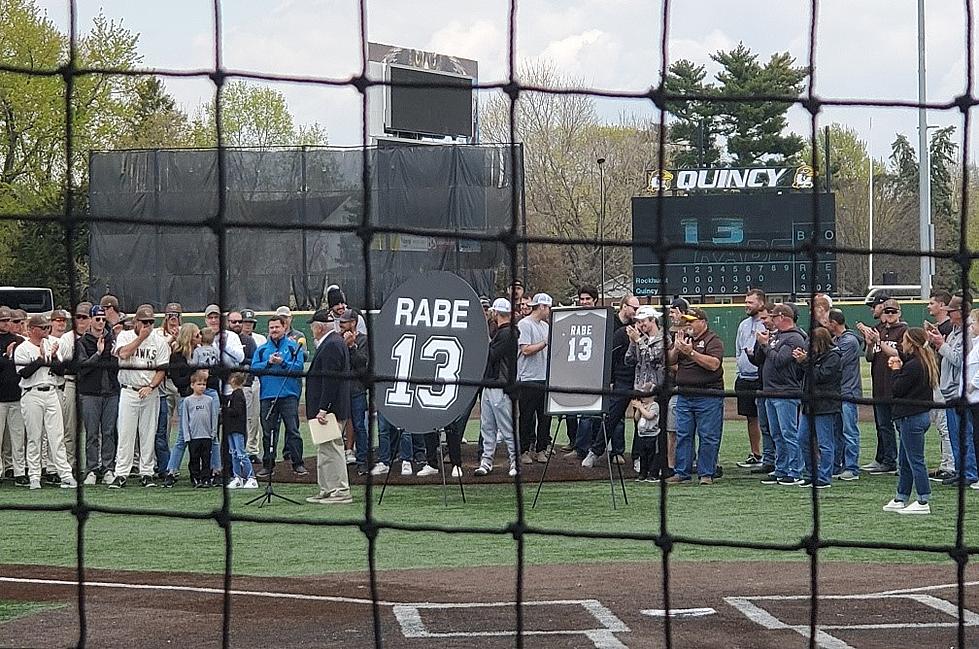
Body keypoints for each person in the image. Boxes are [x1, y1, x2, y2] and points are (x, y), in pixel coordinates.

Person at [110, 304, 171, 488]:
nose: (148, 325)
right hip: (128, 389)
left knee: (148, 433)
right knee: (126, 433)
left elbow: (162, 369)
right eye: (144, 321)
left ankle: (147, 473)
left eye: (151, 322)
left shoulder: (159, 341)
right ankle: (121, 473)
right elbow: (123, 353)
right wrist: (141, 338)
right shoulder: (125, 336)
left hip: (148, 391)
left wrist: (152, 386)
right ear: (136, 321)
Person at [15, 314, 76, 490]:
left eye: (48, 328)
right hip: (32, 392)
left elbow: (60, 371)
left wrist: (54, 357)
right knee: (34, 437)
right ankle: (34, 476)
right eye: (43, 328)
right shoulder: (23, 348)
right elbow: (24, 373)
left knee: (57, 436)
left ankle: (65, 474)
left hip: (51, 391)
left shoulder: (51, 344)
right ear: (32, 329)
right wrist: (42, 359)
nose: (46, 331)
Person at [882, 328, 938, 514]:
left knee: (916, 460)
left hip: (912, 418)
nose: (902, 344)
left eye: (905, 341)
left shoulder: (914, 365)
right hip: (917, 416)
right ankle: (901, 497)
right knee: (905, 461)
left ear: (912, 343)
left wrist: (896, 370)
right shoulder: (922, 361)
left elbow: (898, 389)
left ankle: (923, 500)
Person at [667, 306, 725, 486]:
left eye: (692, 321)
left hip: (708, 395)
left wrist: (690, 353)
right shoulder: (684, 337)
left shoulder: (713, 340)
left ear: (703, 322)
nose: (689, 324)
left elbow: (714, 364)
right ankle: (681, 472)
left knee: (708, 435)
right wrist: (677, 350)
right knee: (683, 434)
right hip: (684, 394)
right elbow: (669, 361)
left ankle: (706, 473)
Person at [582, 294, 640, 468]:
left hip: (642, 381)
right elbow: (611, 357)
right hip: (623, 380)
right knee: (612, 417)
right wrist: (611, 379)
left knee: (643, 420)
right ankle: (595, 451)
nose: (641, 321)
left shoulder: (652, 336)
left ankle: (638, 457)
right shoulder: (621, 332)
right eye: (635, 310)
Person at [926, 295, 977, 487]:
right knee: (955, 435)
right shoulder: (956, 331)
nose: (949, 314)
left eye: (951, 311)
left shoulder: (968, 334)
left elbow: (959, 360)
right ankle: (959, 470)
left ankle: (969, 472)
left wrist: (941, 344)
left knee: (964, 435)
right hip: (950, 390)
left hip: (960, 392)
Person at [304, 309, 353, 505]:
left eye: (313, 326)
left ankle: (340, 490)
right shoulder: (332, 342)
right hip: (328, 408)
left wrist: (324, 408)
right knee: (325, 450)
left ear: (319, 326)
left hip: (330, 410)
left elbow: (331, 380)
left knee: (332, 449)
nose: (311, 330)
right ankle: (327, 488)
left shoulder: (332, 344)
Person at [759, 303, 807, 486]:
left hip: (786, 391)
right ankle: (782, 469)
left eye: (773, 317)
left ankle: (795, 471)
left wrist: (765, 345)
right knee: (776, 433)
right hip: (771, 391)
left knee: (789, 433)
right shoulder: (777, 336)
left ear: (782, 317)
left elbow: (780, 360)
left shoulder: (795, 338)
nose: (770, 320)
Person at [857, 297, 906, 474]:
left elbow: (899, 354)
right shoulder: (878, 329)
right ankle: (888, 460)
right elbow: (870, 357)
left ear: (899, 313)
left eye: (893, 311)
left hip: (897, 385)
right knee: (883, 425)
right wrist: (870, 344)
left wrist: (879, 341)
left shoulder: (903, 331)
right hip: (879, 385)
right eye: (887, 311)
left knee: (901, 426)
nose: (890, 315)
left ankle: (903, 462)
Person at [253, 315, 306, 477]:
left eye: (277, 327)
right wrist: (268, 362)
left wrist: (283, 362)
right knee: (269, 432)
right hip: (267, 396)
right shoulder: (262, 349)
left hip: (288, 395)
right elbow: (254, 368)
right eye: (271, 328)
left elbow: (299, 368)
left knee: (293, 430)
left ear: (284, 328)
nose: (274, 330)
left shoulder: (293, 346)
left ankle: (298, 463)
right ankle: (268, 465)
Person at [475, 298, 519, 478]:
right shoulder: (502, 332)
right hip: (490, 384)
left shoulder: (507, 333)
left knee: (506, 428)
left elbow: (491, 355)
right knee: (487, 427)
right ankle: (486, 462)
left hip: (499, 386)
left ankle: (514, 461)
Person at [76, 304, 120, 486]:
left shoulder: (113, 340)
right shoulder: (82, 343)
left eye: (103, 319)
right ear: (91, 320)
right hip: (90, 393)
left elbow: (118, 365)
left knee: (109, 432)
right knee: (92, 434)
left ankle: (108, 468)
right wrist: (98, 353)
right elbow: (82, 368)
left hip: (110, 392)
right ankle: (92, 469)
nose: (101, 322)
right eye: (97, 319)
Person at [794, 327, 841, 489]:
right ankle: (811, 473)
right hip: (809, 403)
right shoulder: (813, 356)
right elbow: (802, 376)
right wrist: (800, 363)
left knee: (825, 443)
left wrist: (805, 362)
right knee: (802, 438)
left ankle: (825, 476)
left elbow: (821, 376)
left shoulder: (833, 357)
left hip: (825, 404)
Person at [161, 323, 201, 487]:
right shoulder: (177, 356)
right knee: (183, 437)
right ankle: (171, 470)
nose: (199, 337)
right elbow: (179, 381)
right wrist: (195, 374)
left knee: (207, 437)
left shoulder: (200, 352)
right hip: (186, 398)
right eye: (197, 334)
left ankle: (210, 470)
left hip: (202, 398)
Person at [825, 309, 862, 480]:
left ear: (834, 322)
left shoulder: (849, 341)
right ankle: (837, 465)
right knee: (837, 431)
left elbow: (836, 364)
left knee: (849, 431)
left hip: (848, 392)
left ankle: (852, 467)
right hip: (837, 392)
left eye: (828, 322)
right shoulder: (837, 340)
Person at [517, 293, 552, 464]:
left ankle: (541, 449)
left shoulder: (545, 326)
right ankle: (523, 449)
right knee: (527, 416)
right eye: (548, 308)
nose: (549, 311)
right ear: (542, 307)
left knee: (545, 416)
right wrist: (545, 343)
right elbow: (525, 350)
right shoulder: (524, 324)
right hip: (528, 377)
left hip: (544, 377)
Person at [734, 289, 767, 468]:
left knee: (766, 417)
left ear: (761, 303)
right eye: (746, 302)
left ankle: (771, 455)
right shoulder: (744, 325)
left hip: (760, 377)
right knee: (750, 417)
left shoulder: (766, 323)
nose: (747, 305)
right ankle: (756, 454)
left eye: (750, 302)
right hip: (745, 377)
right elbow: (739, 349)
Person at [926, 289, 955, 481]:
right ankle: (946, 463)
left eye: (932, 303)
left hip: (946, 382)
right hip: (937, 379)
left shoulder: (948, 329)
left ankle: (950, 466)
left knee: (945, 426)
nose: (928, 306)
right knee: (941, 425)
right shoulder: (940, 327)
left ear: (942, 305)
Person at [339, 308, 371, 475]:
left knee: (359, 425)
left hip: (357, 389)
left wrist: (351, 347)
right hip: (340, 390)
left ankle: (362, 461)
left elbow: (362, 364)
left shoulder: (364, 340)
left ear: (353, 323)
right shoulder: (337, 339)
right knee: (337, 427)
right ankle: (338, 462)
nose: (341, 325)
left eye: (344, 322)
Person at [0, 305, 27, 485]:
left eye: (9, 320)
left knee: (18, 438)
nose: (7, 323)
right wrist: (5, 355)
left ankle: (18, 472)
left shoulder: (19, 340)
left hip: (17, 395)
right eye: (3, 320)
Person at [179, 370, 219, 488]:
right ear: (192, 385)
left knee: (206, 459)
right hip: (193, 436)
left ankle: (206, 478)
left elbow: (213, 416)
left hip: (206, 435)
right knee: (194, 459)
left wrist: (213, 432)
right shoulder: (187, 401)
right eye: (199, 384)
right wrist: (187, 435)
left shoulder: (209, 400)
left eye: (204, 384)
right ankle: (195, 478)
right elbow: (185, 419)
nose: (202, 387)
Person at [238, 309, 266, 462]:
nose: (247, 325)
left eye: (250, 322)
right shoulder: (234, 338)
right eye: (245, 322)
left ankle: (252, 450)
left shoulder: (260, 339)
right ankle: (239, 449)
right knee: (241, 417)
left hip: (254, 381)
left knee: (254, 418)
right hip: (238, 382)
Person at [223, 372, 258, 489]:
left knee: (241, 453)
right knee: (234, 454)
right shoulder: (234, 394)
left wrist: (225, 410)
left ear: (233, 380)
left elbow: (237, 411)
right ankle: (238, 477)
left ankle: (251, 478)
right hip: (231, 428)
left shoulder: (238, 395)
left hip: (237, 428)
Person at [961, 308, 979, 492]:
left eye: (973, 322)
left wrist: (973, 385)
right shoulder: (975, 344)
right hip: (972, 400)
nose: (971, 326)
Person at [631, 385, 660, 482]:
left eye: (645, 396)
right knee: (642, 455)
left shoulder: (654, 405)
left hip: (652, 435)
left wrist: (641, 408)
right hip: (642, 435)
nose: (642, 398)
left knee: (652, 455)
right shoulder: (642, 406)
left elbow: (650, 416)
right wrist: (638, 409)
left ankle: (653, 474)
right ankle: (643, 473)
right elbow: (636, 418)